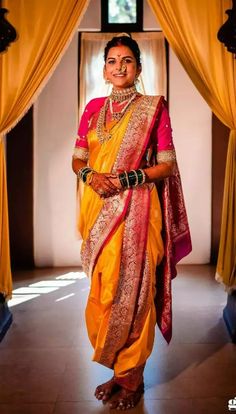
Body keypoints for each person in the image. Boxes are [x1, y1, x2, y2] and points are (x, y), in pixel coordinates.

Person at [72, 33, 192, 410]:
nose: (119, 66)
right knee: (105, 291)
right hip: (98, 208)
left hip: (138, 210)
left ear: (139, 68)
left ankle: (132, 378)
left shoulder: (154, 108)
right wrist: (91, 177)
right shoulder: (92, 109)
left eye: (127, 60)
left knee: (136, 292)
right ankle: (118, 370)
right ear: (103, 69)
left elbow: (167, 164)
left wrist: (125, 179)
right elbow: (77, 159)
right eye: (112, 60)